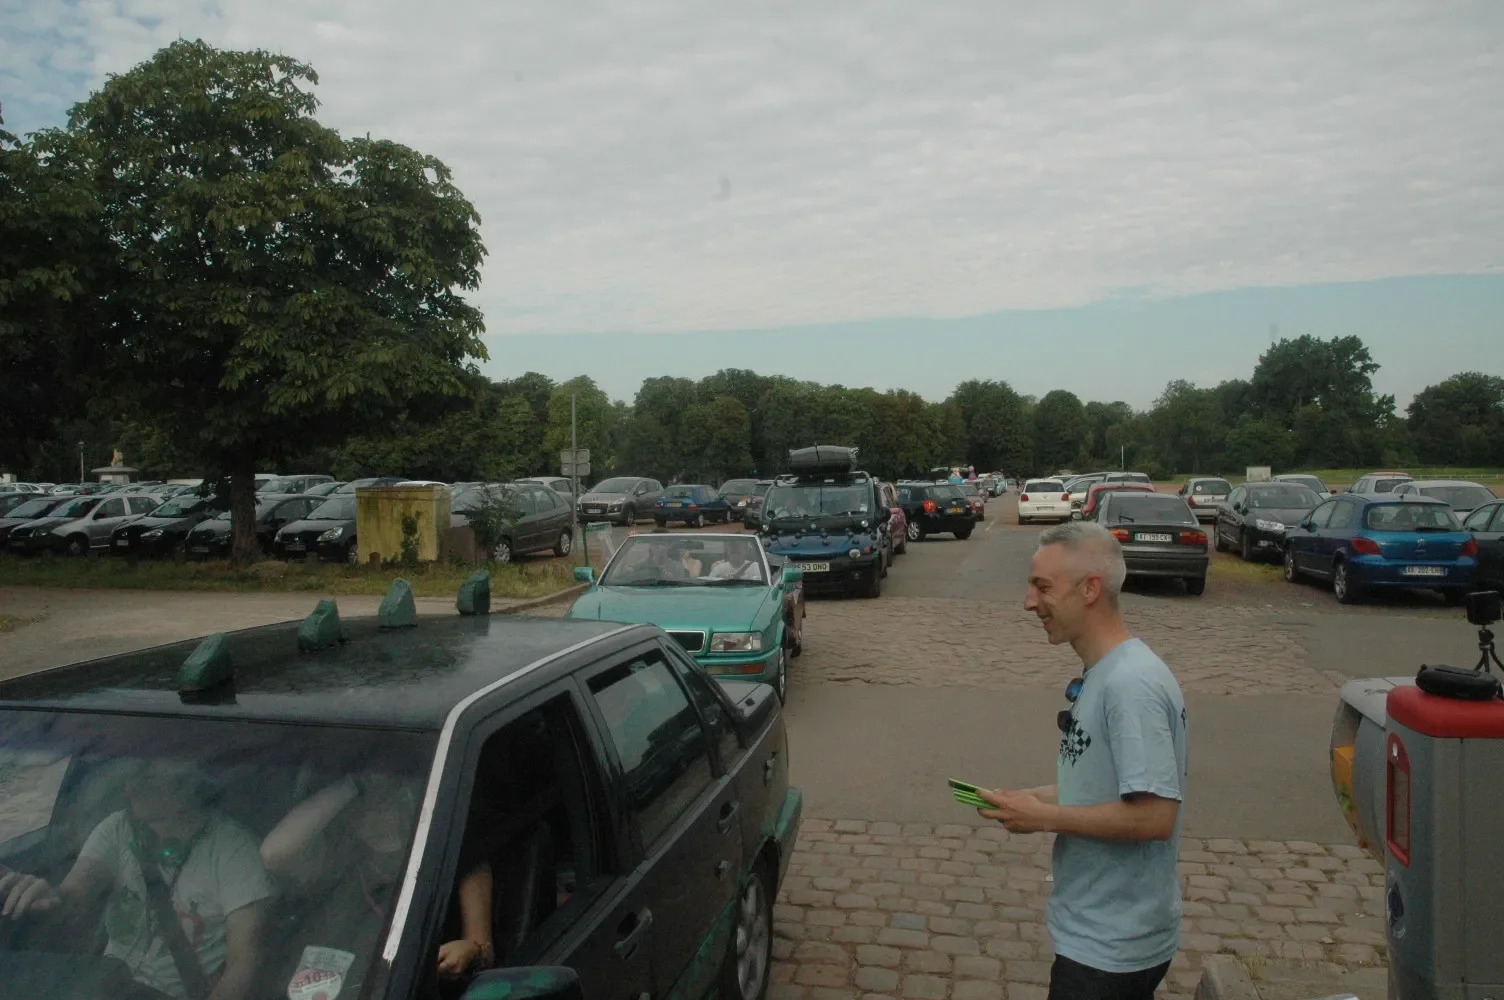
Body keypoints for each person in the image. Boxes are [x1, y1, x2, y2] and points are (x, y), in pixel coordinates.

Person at [977, 521, 1187, 1000]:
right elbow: (1107, 788)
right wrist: (1031, 797)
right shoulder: (1106, 673)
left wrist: (1044, 817)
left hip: (1111, 947)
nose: (1029, 602)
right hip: (1096, 936)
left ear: (1091, 588)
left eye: (1042, 587)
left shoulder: (1130, 686)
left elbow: (1155, 815)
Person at [0, 759, 275, 1000]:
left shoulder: (235, 851)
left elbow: (244, 960)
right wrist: (47, 897)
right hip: (107, 987)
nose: (131, 786)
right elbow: (73, 898)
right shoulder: (117, 828)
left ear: (188, 784)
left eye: (146, 776)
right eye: (130, 775)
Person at [259, 774, 494, 987]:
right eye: (362, 808)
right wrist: (353, 785)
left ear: (409, 802)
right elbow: (274, 853)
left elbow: (485, 954)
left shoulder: (456, 861)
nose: (373, 817)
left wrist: (468, 951)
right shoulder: (341, 864)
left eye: (384, 804)